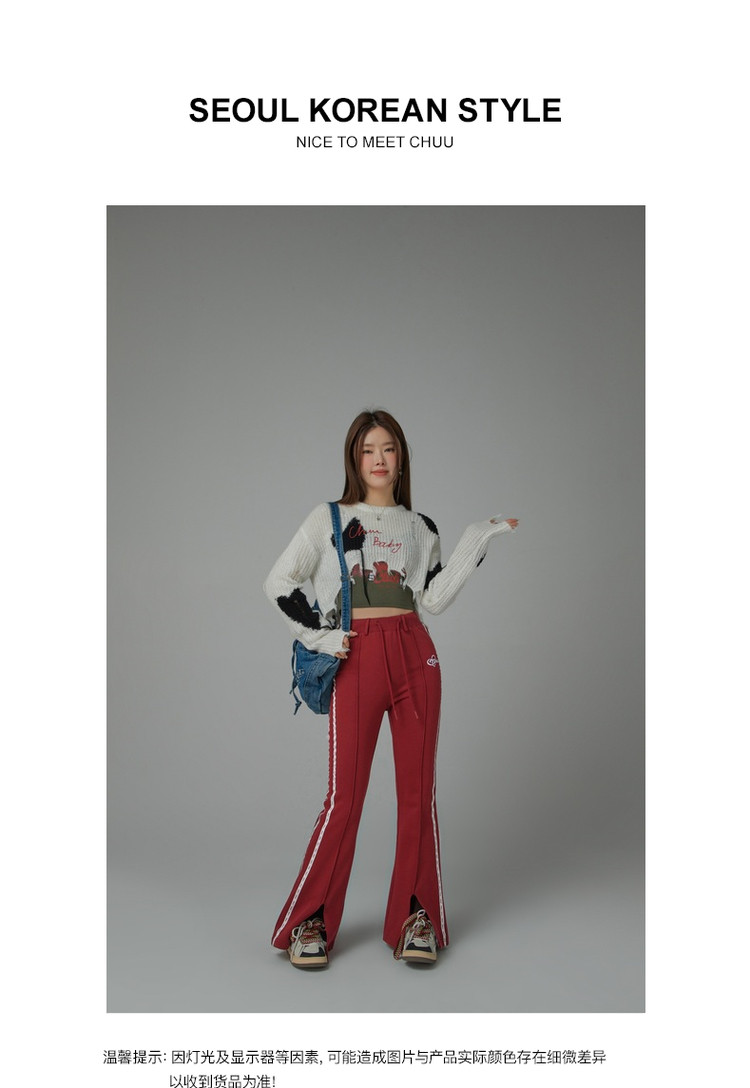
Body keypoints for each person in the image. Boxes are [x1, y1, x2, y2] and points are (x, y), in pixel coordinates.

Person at [263, 409, 518, 968]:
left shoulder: (420, 526)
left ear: (401, 458)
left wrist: (477, 539)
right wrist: (321, 635)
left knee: (418, 795)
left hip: (414, 655)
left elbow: (433, 599)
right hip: (356, 656)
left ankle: (415, 917)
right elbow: (279, 581)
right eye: (367, 450)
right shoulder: (328, 518)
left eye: (388, 449)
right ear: (354, 460)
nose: (378, 460)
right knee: (345, 797)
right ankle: (310, 921)